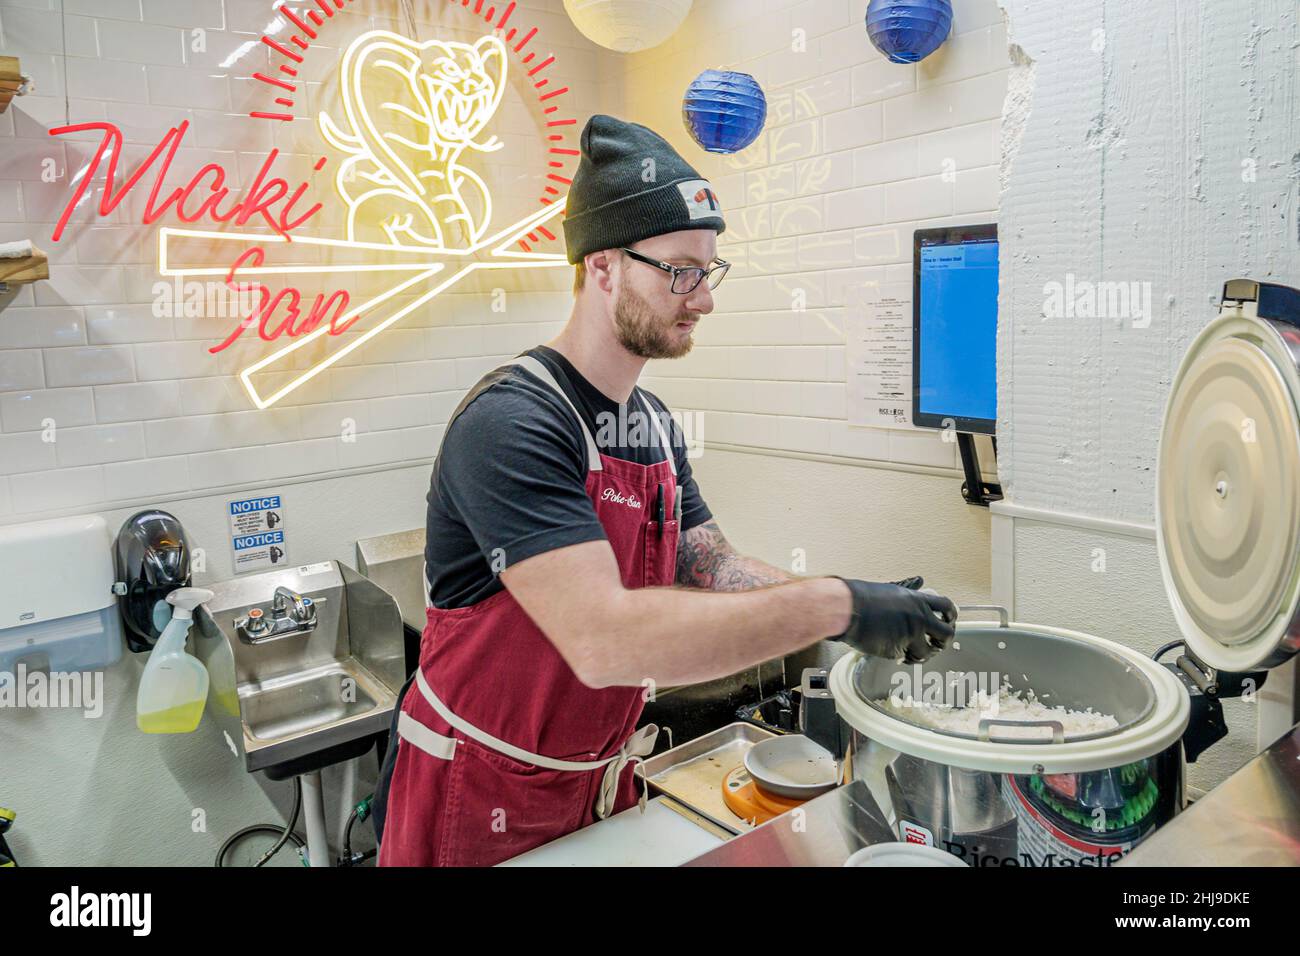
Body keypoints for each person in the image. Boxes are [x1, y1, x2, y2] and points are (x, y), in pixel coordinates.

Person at [373, 115, 957, 866]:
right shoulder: (512, 422)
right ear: (603, 265)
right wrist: (834, 601)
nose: (702, 298)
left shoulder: (649, 422)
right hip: (475, 791)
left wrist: (858, 608)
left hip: (601, 782)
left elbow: (708, 565)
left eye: (707, 271)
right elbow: (603, 641)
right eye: (679, 270)